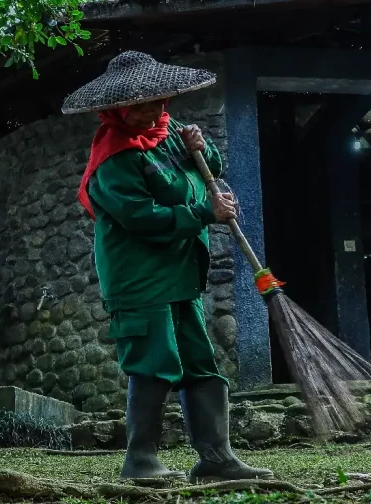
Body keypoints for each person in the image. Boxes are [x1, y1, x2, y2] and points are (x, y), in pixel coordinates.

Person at [61, 51, 274, 483]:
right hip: (140, 277)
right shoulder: (114, 157)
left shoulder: (169, 130)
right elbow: (139, 215)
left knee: (200, 363)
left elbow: (206, 168)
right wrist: (204, 212)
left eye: (157, 100)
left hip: (180, 274)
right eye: (139, 105)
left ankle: (216, 459)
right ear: (116, 108)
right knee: (155, 363)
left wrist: (203, 146)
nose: (150, 111)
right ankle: (141, 461)